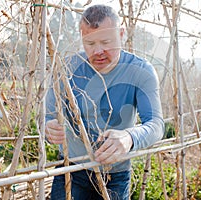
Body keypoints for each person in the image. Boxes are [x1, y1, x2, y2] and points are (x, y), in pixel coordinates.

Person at [45, 4, 164, 200]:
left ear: (121, 34)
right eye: (90, 43)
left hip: (115, 174)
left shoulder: (141, 71)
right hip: (71, 170)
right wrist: (48, 128)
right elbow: (45, 117)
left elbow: (156, 125)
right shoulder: (67, 69)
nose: (98, 51)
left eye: (106, 42)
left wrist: (129, 138)